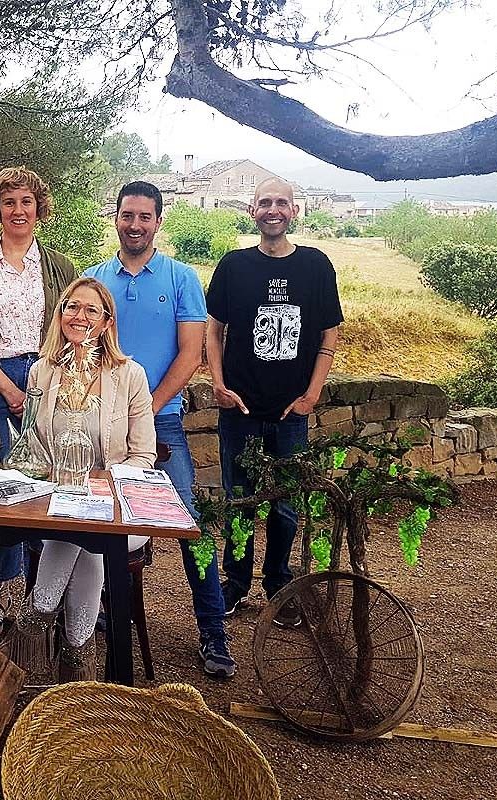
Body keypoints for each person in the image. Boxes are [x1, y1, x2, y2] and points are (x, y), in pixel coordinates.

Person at [83, 180, 235, 679]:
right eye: (127, 215)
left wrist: (144, 410)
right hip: (101, 425)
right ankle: (103, 610)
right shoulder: (94, 280)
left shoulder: (181, 277)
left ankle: (214, 630)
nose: (135, 224)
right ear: (116, 218)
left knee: (189, 523)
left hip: (162, 422)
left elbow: (191, 354)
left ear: (158, 222)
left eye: (144, 217)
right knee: (98, 516)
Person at [206, 177, 343, 628]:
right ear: (252, 210)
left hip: (290, 414)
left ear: (294, 211)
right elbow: (214, 330)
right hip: (239, 410)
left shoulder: (316, 267)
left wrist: (313, 394)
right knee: (239, 499)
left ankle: (279, 585)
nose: (273, 210)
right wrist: (219, 385)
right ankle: (236, 582)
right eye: (264, 202)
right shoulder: (233, 266)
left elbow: (329, 333)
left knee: (286, 504)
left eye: (281, 202)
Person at [5, 276, 156, 683]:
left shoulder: (130, 375)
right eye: (72, 307)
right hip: (58, 500)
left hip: (119, 507)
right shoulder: (42, 372)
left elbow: (144, 455)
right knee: (77, 535)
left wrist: (103, 489)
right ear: (60, 315)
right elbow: (33, 445)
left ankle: (34, 622)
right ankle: (79, 665)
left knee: (84, 535)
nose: (80, 316)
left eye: (91, 310)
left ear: (107, 322)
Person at [0, 166, 77, 635]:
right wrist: (9, 388)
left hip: (50, 378)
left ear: (38, 207)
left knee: (49, 485)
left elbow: (75, 328)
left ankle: (44, 597)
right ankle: (1, 596)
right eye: (9, 203)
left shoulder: (61, 266)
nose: (18, 210)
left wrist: (47, 384)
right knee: (2, 492)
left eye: (26, 201)